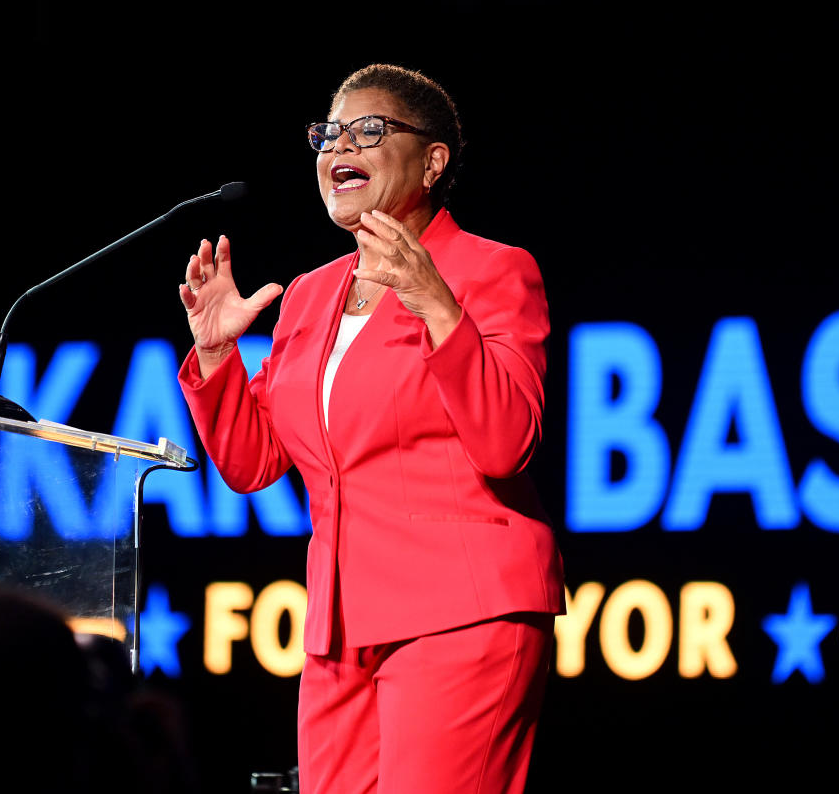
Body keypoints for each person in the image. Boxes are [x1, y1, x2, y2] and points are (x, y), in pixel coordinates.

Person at [178, 63, 564, 794]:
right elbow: (254, 462)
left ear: (434, 159)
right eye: (328, 133)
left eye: (369, 129)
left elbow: (508, 439)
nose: (337, 145)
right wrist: (217, 353)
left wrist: (436, 307)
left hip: (462, 612)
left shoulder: (491, 271)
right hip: (338, 625)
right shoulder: (309, 294)